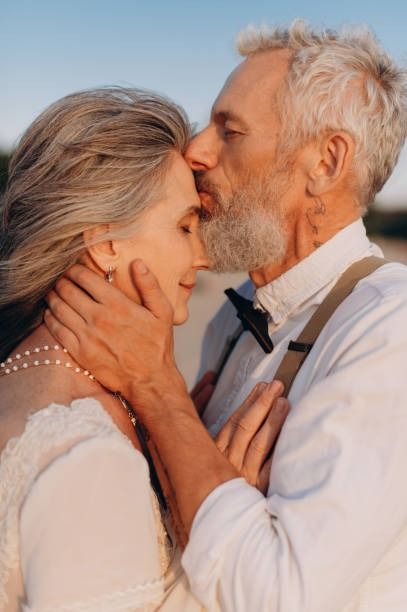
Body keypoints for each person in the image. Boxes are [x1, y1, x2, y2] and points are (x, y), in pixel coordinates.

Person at [45, 20, 407, 611]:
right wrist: (194, 466)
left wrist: (156, 389)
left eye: (228, 130)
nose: (195, 151)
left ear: (326, 161)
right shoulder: (227, 322)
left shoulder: (389, 331)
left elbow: (279, 597)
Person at [0, 87, 289, 611]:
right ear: (107, 241)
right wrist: (220, 520)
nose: (202, 255)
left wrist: (178, 462)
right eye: (184, 227)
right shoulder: (89, 457)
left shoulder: (19, 375)